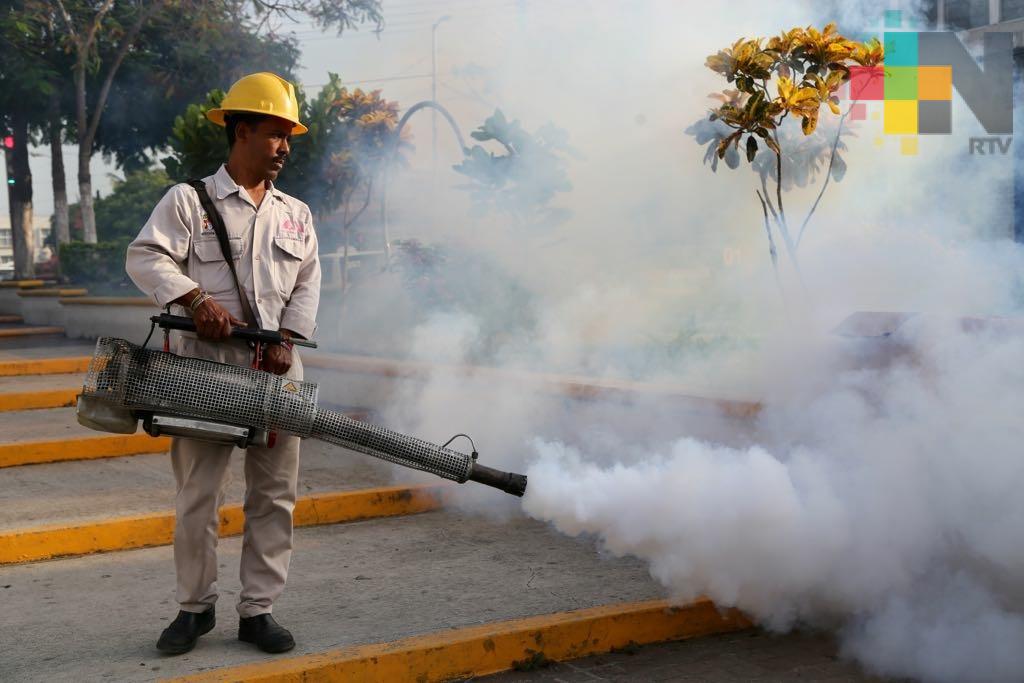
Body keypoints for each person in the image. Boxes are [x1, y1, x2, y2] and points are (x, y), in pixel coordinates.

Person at [126, 72, 320, 656]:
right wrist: (193, 298)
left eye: (288, 137)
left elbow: (308, 283)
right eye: (274, 133)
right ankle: (194, 609)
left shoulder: (296, 214)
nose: (283, 146)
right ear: (241, 131)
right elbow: (144, 256)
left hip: (276, 371)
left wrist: (289, 336)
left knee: (275, 495)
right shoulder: (188, 201)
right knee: (197, 496)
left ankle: (259, 611)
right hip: (203, 369)